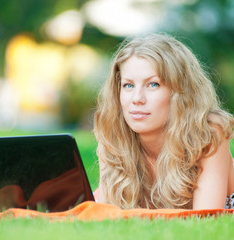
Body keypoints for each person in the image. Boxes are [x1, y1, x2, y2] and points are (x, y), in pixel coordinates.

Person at [93, 33, 234, 210]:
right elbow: (105, 221)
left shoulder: (209, 130)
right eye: (128, 85)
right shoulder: (114, 131)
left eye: (153, 84)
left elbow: (205, 217)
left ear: (179, 92)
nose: (137, 99)